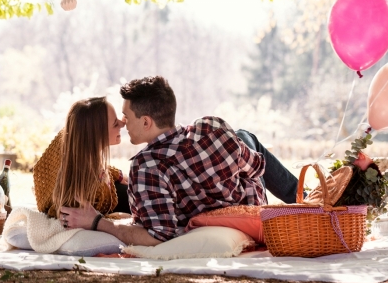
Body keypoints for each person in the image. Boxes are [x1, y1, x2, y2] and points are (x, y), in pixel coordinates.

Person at [60, 76, 300, 246]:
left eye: (126, 116)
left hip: (219, 212)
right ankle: (307, 201)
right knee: (245, 138)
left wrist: (99, 223)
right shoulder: (212, 127)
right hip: (251, 204)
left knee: (242, 139)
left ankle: (305, 199)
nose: (124, 123)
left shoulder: (145, 167)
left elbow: (158, 235)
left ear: (146, 122)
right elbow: (257, 167)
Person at [33, 97, 131, 220]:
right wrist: (117, 218)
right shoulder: (84, 193)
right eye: (115, 123)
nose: (123, 124)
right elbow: (90, 219)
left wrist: (118, 174)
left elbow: (97, 167)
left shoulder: (74, 136)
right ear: (97, 134)